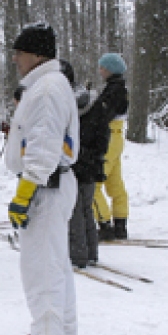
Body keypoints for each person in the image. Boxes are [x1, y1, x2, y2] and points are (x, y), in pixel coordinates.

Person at [2, 22, 80, 335]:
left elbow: (45, 146)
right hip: (53, 182)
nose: (15, 59)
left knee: (41, 265)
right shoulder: (49, 84)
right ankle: (62, 327)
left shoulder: (47, 89)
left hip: (45, 187)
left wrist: (24, 191)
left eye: (19, 53)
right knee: (56, 260)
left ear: (35, 54)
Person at [62, 60, 109, 270]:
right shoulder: (93, 102)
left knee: (75, 210)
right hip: (91, 162)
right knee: (86, 209)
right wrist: (96, 155)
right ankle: (91, 252)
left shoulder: (65, 102)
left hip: (74, 162)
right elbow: (103, 134)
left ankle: (78, 255)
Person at [92, 53, 129, 240]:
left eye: (102, 68)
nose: (100, 71)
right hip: (117, 135)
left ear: (110, 69)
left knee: (94, 183)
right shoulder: (120, 88)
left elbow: (104, 114)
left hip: (109, 137)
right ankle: (120, 223)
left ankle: (104, 224)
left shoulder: (113, 90)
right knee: (115, 182)